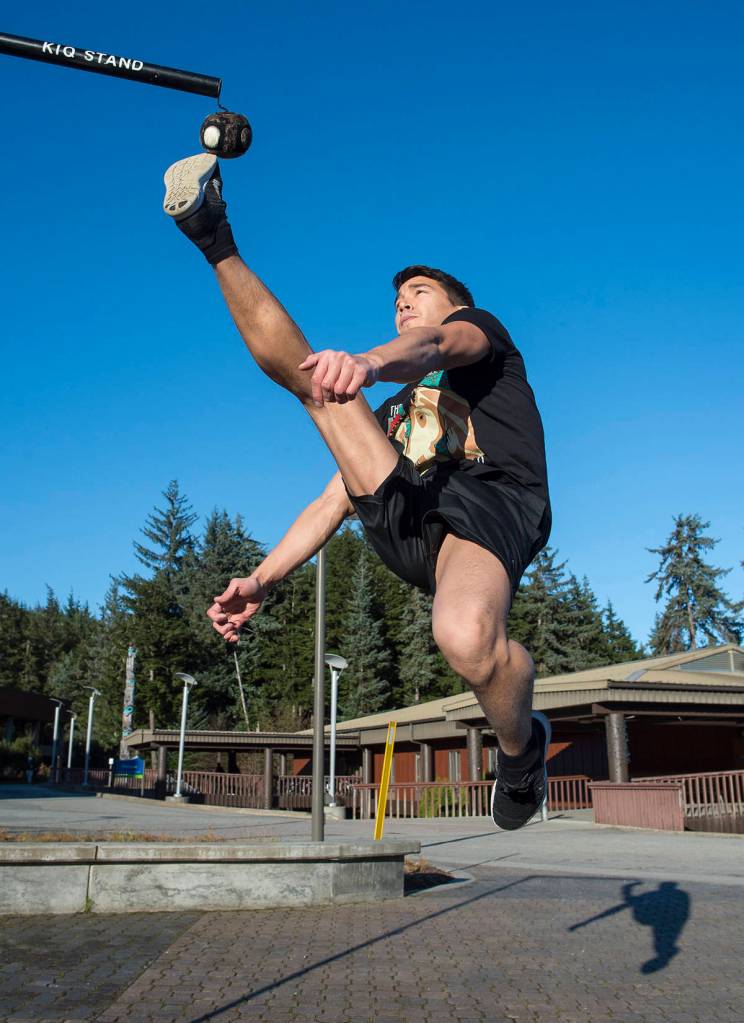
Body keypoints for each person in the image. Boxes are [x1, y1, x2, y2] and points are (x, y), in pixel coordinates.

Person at [163, 153, 552, 830]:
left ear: (455, 301)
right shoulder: (391, 413)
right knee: (317, 387)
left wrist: (370, 361)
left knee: (464, 636)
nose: (404, 302)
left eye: (418, 292)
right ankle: (212, 236)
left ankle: (522, 750)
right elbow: (329, 505)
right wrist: (261, 580)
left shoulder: (482, 335)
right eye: (397, 300)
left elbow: (437, 346)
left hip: (493, 504)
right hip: (414, 518)